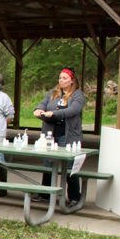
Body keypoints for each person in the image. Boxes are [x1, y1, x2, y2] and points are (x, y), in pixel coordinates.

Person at [32, 68, 86, 206]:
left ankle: (74, 197)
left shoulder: (78, 95)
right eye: (60, 78)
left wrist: (54, 114)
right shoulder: (53, 93)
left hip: (68, 134)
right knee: (48, 163)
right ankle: (45, 194)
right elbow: (42, 104)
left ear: (72, 80)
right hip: (51, 133)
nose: (61, 80)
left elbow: (73, 110)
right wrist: (38, 110)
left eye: (64, 78)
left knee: (69, 167)